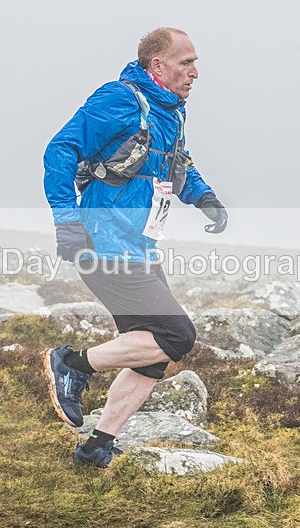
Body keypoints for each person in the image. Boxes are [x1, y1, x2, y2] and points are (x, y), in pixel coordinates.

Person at [42, 27, 228, 468]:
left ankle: (97, 445)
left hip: (139, 245)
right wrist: (67, 221)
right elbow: (59, 151)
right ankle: (71, 363)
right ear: (157, 66)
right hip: (102, 241)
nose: (195, 73)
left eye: (196, 63)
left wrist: (203, 197)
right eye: (186, 63)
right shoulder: (119, 98)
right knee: (176, 335)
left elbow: (177, 162)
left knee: (152, 351)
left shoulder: (170, 112)